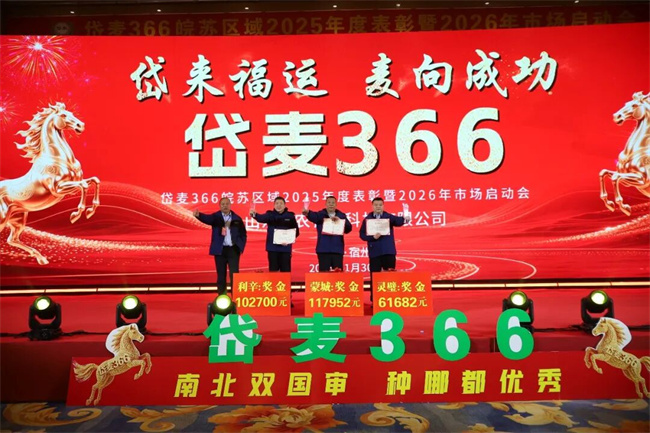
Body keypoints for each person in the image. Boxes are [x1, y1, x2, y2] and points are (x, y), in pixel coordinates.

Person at [194, 197, 247, 294]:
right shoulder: (216, 217)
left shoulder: (237, 218)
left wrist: (240, 246)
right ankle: (222, 296)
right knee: (221, 275)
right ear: (219, 206)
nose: (225, 206)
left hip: (233, 250)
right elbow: (207, 219)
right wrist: (199, 215)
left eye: (227, 204)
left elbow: (243, 234)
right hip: (220, 250)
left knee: (234, 275)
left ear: (230, 205)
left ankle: (235, 296)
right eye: (223, 204)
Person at [359, 197, 410, 273]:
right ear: (372, 206)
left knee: (389, 276)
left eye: (380, 205)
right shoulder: (368, 219)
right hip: (375, 252)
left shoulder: (388, 217)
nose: (378, 207)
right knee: (375, 276)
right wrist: (372, 237)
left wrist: (405, 217)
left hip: (388, 251)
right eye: (376, 205)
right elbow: (362, 235)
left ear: (383, 206)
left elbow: (398, 221)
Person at [303, 196, 352, 272]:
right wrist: (307, 213)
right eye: (329, 202)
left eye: (333, 203)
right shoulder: (321, 215)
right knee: (324, 274)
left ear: (336, 204)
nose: (331, 204)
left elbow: (348, 229)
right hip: (323, 250)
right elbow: (313, 216)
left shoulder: (341, 216)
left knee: (338, 274)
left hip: (337, 250)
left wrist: (340, 222)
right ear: (325, 204)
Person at [250, 196, 299, 272]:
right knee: (273, 271)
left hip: (285, 249)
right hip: (272, 248)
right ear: (274, 205)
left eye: (281, 203)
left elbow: (296, 231)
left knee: (285, 272)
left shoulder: (290, 216)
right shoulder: (270, 215)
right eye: (277, 203)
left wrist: (289, 240)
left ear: (285, 205)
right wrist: (254, 214)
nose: (279, 205)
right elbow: (260, 218)